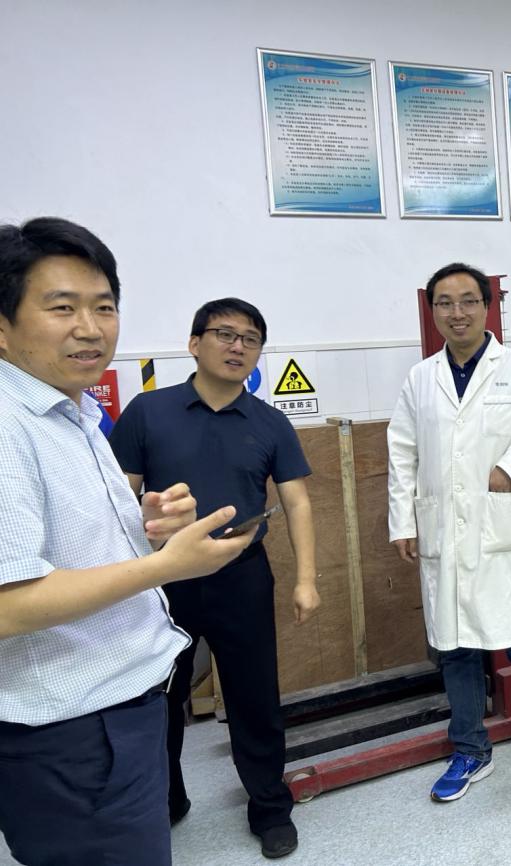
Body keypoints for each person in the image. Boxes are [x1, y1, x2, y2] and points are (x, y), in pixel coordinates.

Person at [0, 217, 254, 866]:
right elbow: (7, 605)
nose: (90, 328)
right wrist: (166, 565)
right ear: (3, 325)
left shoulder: (71, 410)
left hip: (116, 706)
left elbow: (58, 538)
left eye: (104, 307)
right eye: (62, 308)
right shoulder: (9, 423)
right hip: (73, 728)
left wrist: (143, 526)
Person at [110, 298, 320, 859]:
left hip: (241, 576)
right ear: (194, 343)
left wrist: (306, 579)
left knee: (255, 696)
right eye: (225, 334)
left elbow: (297, 503)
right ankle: (165, 801)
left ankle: (269, 807)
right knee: (160, 696)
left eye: (250, 339)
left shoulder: (270, 422)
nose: (237, 346)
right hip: (164, 578)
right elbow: (118, 499)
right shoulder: (148, 412)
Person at [387, 263, 511, 812]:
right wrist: (403, 520)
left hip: (501, 538)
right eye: (445, 303)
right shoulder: (420, 379)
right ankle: (471, 751)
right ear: (433, 311)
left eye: (468, 301)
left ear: (487, 306)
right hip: (443, 538)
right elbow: (402, 451)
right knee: (456, 652)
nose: (457, 313)